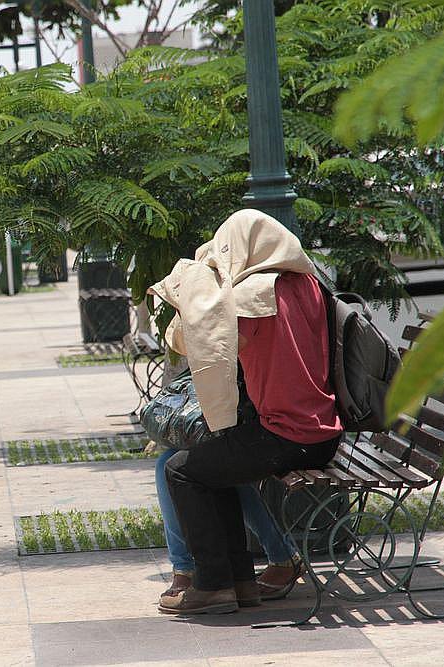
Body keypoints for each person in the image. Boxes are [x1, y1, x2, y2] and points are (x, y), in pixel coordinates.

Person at [152, 209, 343, 615]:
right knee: (211, 464)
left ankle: (214, 584)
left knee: (181, 470)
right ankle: (238, 582)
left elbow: (195, 341)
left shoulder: (256, 293)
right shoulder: (307, 283)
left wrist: (195, 288)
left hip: (287, 435)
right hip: (323, 432)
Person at [155, 447, 301, 601]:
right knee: (170, 461)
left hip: (282, 439)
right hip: (260, 437)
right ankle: (189, 570)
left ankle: (201, 574)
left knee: (197, 465)